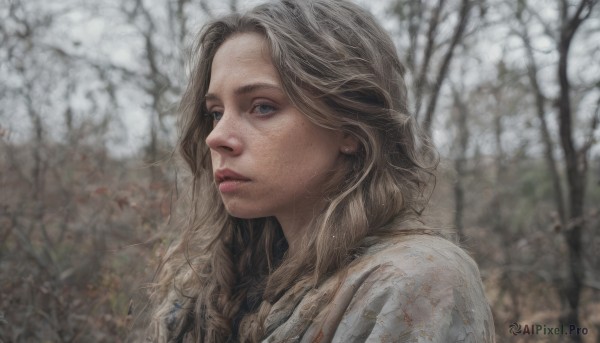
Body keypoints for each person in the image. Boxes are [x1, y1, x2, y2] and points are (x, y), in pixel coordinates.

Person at [148, 0, 495, 342]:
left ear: (350, 127)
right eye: (215, 112)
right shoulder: (216, 288)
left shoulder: (412, 281)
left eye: (262, 107)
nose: (217, 137)